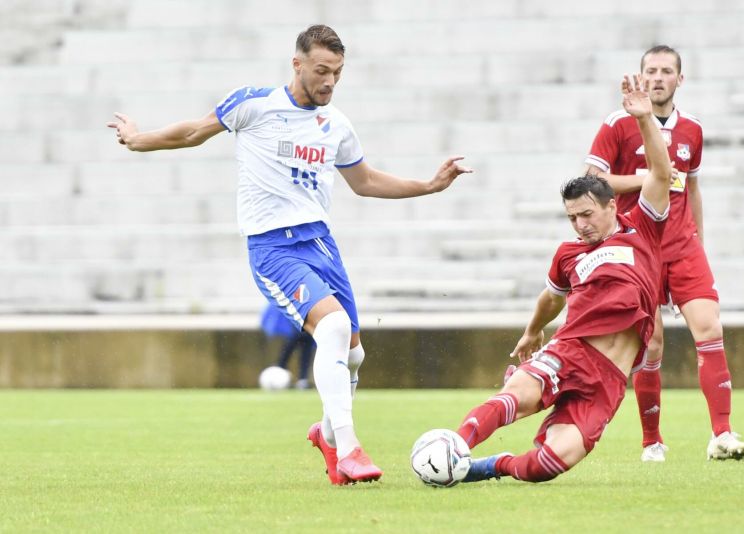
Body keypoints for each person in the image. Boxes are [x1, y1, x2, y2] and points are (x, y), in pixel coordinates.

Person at [106, 24, 472, 485]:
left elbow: (364, 182)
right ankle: (351, 448)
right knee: (334, 328)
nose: (330, 82)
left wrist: (428, 185)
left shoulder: (335, 124)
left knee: (354, 355)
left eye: (337, 73)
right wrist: (138, 139)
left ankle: (329, 437)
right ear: (297, 64)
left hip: (321, 243)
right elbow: (194, 132)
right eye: (322, 71)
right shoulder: (254, 105)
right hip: (273, 245)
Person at [453, 73, 671, 485]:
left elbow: (661, 174)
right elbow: (551, 299)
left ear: (611, 206)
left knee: (546, 465)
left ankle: (491, 466)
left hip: (607, 378)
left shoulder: (641, 229)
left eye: (587, 214)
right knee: (517, 397)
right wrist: (531, 332)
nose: (580, 225)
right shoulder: (569, 254)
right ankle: (453, 447)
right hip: (570, 350)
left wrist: (645, 120)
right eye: (572, 217)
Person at [584, 45, 744, 462]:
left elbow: (692, 188)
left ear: (680, 79)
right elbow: (592, 180)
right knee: (652, 345)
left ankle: (722, 433)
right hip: (638, 246)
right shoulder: (618, 124)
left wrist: (699, 239)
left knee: (709, 329)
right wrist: (645, 178)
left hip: (682, 245)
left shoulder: (692, 129)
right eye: (651, 71)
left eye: (666, 71)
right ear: (641, 78)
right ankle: (652, 440)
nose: (658, 77)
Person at [260, 303, 315, 389]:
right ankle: (282, 369)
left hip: (305, 327)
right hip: (298, 326)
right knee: (293, 346)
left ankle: (302, 378)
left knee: (304, 350)